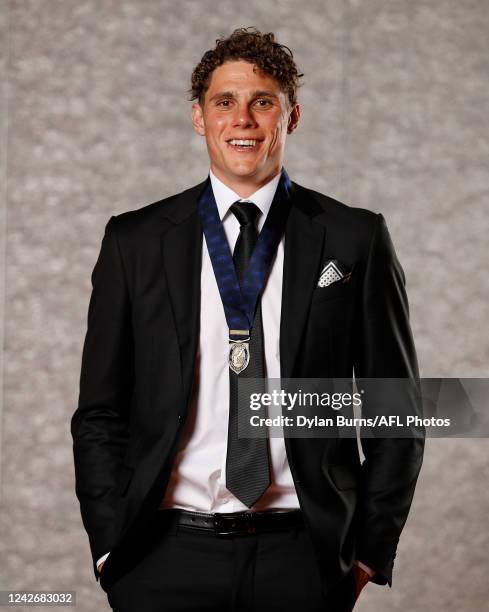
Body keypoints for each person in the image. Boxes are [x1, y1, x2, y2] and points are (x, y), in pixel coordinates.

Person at [71, 27, 424, 612]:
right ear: (198, 117)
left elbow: (400, 408)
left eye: (263, 102)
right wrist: (110, 544)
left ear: (292, 118)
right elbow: (101, 409)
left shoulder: (354, 238)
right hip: (163, 555)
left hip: (301, 556)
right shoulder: (134, 241)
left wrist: (366, 553)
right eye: (224, 102)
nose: (243, 120)